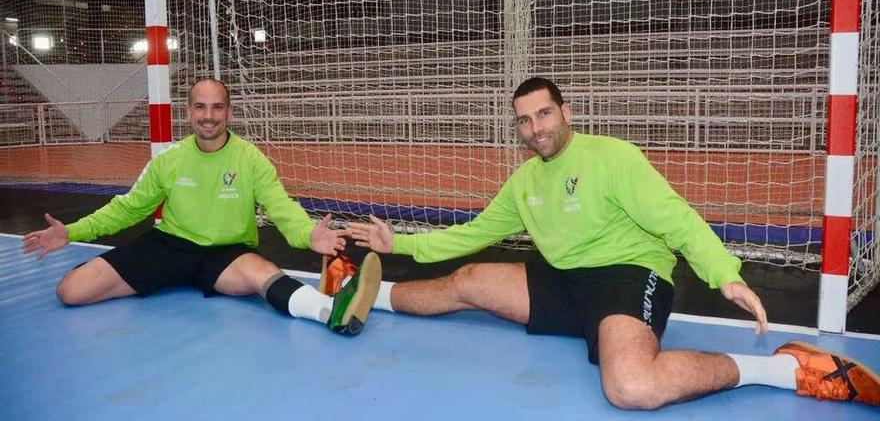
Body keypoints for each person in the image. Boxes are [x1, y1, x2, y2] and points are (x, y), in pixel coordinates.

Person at [347, 76, 880, 408]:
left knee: (630, 387)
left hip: (628, 275)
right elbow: (474, 233)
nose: (536, 128)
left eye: (544, 114)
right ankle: (355, 294)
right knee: (466, 280)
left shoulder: (612, 157)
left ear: (566, 112)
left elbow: (673, 216)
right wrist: (400, 247)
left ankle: (785, 368)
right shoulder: (524, 182)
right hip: (562, 282)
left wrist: (725, 273)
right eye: (524, 121)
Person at [22, 78, 381, 336]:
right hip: (170, 247)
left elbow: (280, 207)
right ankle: (162, 275)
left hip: (226, 254)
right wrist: (72, 232)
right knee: (70, 291)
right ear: (189, 112)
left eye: (217, 107)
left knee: (262, 275)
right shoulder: (169, 160)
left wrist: (306, 235)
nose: (208, 115)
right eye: (200, 106)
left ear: (229, 112)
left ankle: (330, 311)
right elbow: (128, 209)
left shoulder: (251, 160)